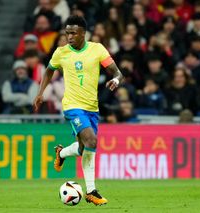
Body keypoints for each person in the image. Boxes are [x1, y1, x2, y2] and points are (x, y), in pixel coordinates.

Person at [33, 15, 123, 205]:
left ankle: (62, 153)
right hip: (72, 106)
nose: (69, 37)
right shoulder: (61, 52)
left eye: (73, 33)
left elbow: (117, 72)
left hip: (92, 108)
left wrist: (115, 80)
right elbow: (49, 70)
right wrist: (41, 92)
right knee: (92, 140)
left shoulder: (97, 49)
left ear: (84, 33)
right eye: (67, 33)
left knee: (84, 148)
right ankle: (91, 191)